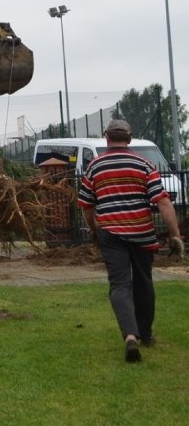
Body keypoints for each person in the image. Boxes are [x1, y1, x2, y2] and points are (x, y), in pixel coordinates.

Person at [78, 119, 185, 363]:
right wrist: (175, 234)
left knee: (119, 285)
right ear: (129, 138)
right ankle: (145, 334)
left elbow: (86, 206)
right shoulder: (144, 164)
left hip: (110, 234)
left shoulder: (94, 167)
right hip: (141, 233)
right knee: (143, 283)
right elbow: (163, 201)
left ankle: (130, 336)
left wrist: (95, 230)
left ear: (107, 137)